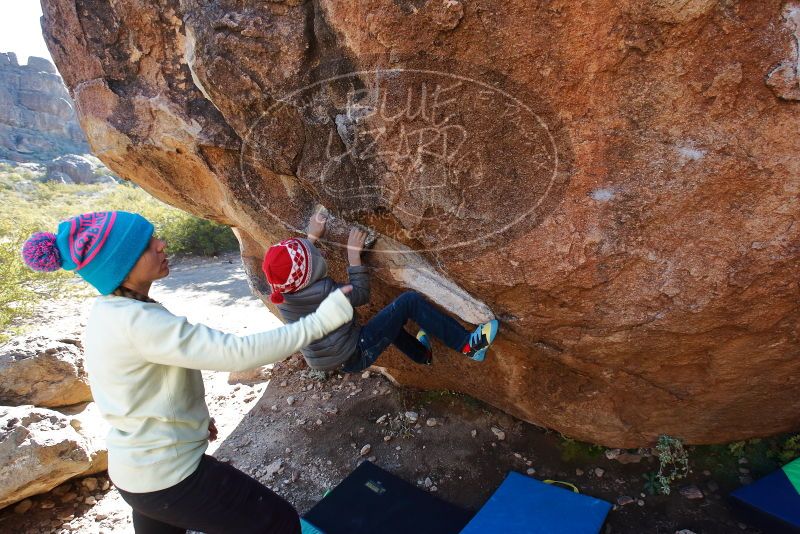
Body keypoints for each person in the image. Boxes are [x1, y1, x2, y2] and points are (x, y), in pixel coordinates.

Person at [21, 211, 354, 534]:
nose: (162, 245)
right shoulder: (138, 321)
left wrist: (191, 421)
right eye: (147, 244)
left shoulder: (109, 313)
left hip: (136, 475)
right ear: (122, 263)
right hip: (170, 478)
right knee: (279, 523)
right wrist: (323, 320)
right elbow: (236, 353)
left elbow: (134, 389)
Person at [261, 211, 499, 373]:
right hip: (356, 351)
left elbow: (297, 269)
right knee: (409, 302)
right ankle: (467, 345)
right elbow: (362, 294)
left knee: (387, 323)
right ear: (310, 275)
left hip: (337, 358)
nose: (317, 253)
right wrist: (354, 257)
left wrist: (311, 237)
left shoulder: (284, 294)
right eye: (313, 255)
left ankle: (422, 355)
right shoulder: (325, 293)